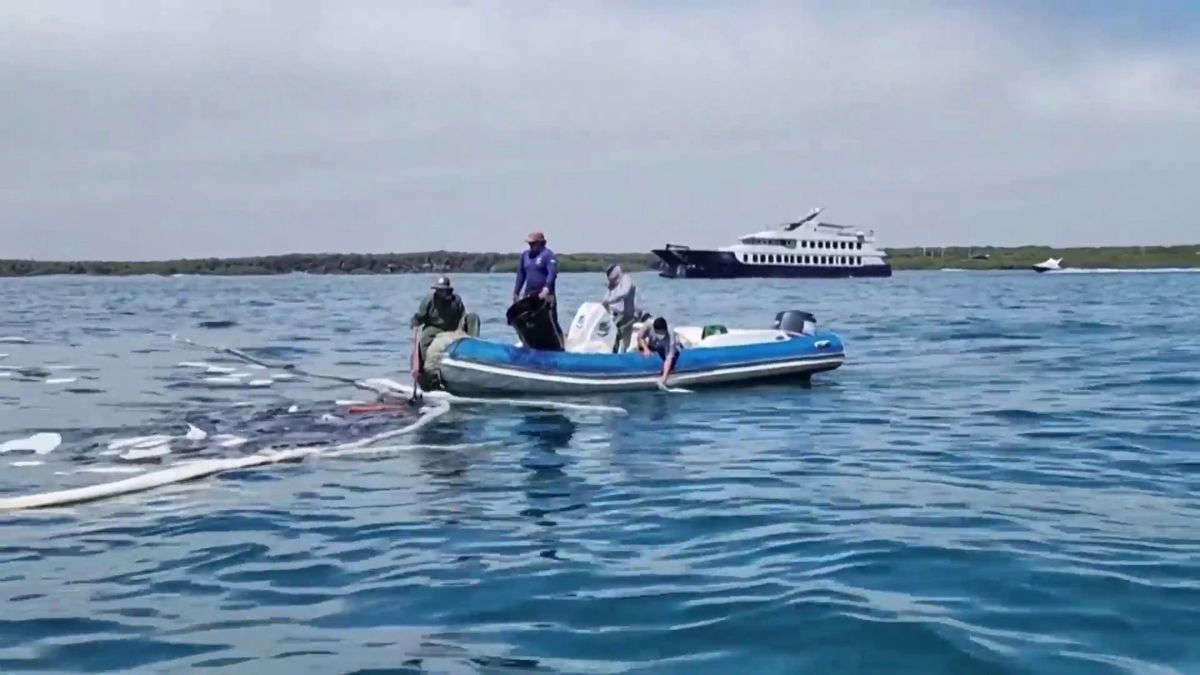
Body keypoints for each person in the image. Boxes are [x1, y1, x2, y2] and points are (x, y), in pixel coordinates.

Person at [410, 276, 467, 389]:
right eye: (438, 289)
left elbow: (462, 316)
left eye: (443, 289)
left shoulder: (456, 300)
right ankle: (427, 375)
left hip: (452, 329)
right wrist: (415, 321)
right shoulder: (429, 299)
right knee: (425, 344)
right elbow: (421, 315)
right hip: (433, 327)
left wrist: (461, 329)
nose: (440, 292)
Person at [513, 230, 563, 343]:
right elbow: (521, 275)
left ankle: (561, 344)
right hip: (529, 294)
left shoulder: (548, 255)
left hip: (545, 294)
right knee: (527, 321)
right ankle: (529, 343)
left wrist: (546, 288)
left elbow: (552, 274)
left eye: (533, 244)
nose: (531, 246)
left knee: (552, 321)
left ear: (541, 243)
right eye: (529, 244)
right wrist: (516, 292)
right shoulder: (525, 256)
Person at [601, 264, 637, 353]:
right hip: (614, 316)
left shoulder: (627, 280)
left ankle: (616, 352)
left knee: (615, 330)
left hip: (628, 316)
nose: (613, 283)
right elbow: (604, 299)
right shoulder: (612, 285)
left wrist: (609, 301)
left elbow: (624, 293)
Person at [637, 316, 681, 387]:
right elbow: (640, 337)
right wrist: (646, 349)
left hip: (664, 346)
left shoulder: (670, 334)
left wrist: (664, 377)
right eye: (658, 332)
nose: (661, 334)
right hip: (653, 343)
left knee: (672, 362)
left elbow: (668, 358)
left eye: (662, 332)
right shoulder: (648, 324)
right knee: (641, 347)